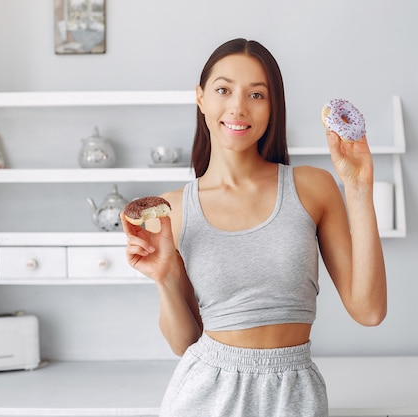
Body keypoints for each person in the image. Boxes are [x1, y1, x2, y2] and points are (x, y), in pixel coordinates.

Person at [121, 38, 387, 417]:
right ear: (201, 98)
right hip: (204, 395)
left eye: (257, 95)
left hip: (294, 393)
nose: (238, 107)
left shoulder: (313, 187)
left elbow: (369, 311)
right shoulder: (175, 208)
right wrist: (164, 277)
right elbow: (185, 343)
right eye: (223, 90)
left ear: (272, 107)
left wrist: (359, 188)